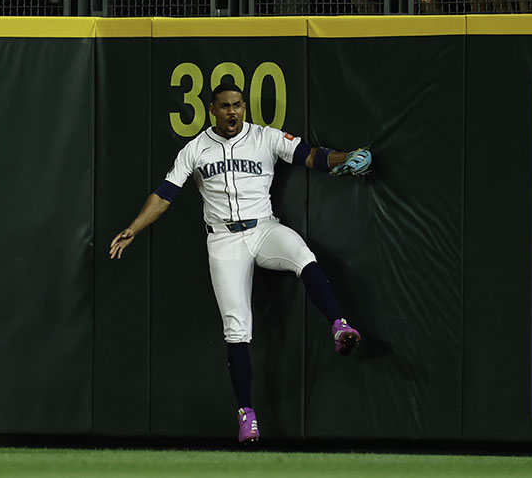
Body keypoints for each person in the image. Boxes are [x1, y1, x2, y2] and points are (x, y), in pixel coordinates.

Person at [109, 82, 370, 445]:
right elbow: (166, 194)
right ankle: (247, 414)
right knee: (236, 327)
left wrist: (347, 158)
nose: (232, 111)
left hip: (264, 229)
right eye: (224, 106)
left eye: (237, 105)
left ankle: (339, 326)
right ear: (212, 110)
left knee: (302, 256)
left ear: (244, 107)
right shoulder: (196, 148)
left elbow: (310, 156)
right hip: (224, 241)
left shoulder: (264, 137)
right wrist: (134, 228)